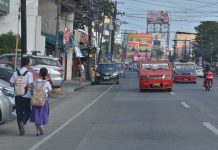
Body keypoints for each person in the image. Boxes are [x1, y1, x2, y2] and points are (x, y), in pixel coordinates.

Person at [10, 57, 33, 136]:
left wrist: (17, 84)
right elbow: (30, 85)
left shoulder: (15, 73)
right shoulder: (29, 74)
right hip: (26, 95)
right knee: (28, 111)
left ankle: (20, 130)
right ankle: (23, 122)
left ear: (21, 63)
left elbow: (11, 84)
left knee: (19, 112)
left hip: (17, 95)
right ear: (28, 64)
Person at [30, 68, 52, 136]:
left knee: (36, 115)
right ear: (46, 74)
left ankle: (37, 131)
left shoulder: (35, 82)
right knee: (43, 115)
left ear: (39, 74)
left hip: (35, 102)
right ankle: (41, 126)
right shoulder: (47, 83)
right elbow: (50, 93)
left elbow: (31, 92)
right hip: (43, 102)